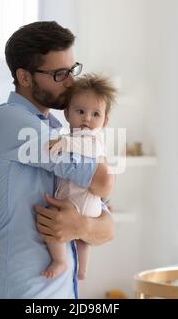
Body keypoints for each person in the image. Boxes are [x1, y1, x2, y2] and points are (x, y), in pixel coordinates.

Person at [0, 21, 115, 298]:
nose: (71, 82)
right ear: (25, 77)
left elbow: (108, 226)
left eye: (72, 69)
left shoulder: (58, 129)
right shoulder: (9, 121)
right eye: (60, 74)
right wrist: (87, 226)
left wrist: (82, 226)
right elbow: (102, 180)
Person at [42, 74, 117, 281]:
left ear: (105, 121)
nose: (87, 119)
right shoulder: (72, 137)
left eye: (95, 114)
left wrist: (63, 143)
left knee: (51, 219)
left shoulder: (93, 139)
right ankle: (82, 270)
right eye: (80, 111)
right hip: (86, 203)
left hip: (78, 202)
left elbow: (86, 148)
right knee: (83, 240)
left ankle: (60, 260)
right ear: (67, 114)